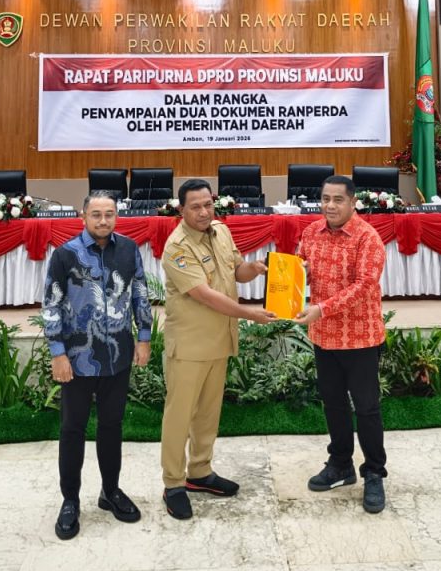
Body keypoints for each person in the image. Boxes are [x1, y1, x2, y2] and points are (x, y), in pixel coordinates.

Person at [160, 178, 275, 520]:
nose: (203, 212)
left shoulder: (221, 232)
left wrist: (254, 269)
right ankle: (173, 483)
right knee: (179, 417)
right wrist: (250, 314)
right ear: (181, 210)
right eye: (195, 207)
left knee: (208, 414)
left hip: (219, 341)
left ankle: (199, 472)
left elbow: (236, 272)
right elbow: (205, 296)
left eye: (208, 204)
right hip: (190, 345)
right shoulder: (176, 247)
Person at [42, 191, 153, 540]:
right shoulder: (65, 254)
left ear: (116, 216)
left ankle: (110, 491)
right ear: (83, 216)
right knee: (72, 429)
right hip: (76, 359)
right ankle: (70, 500)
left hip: (117, 356)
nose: (103, 221)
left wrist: (144, 336)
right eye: (96, 215)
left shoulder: (129, 249)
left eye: (109, 214)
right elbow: (52, 304)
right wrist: (58, 352)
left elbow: (140, 293)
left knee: (112, 426)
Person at [295, 175, 388, 514]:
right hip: (324, 336)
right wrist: (297, 274)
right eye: (325, 199)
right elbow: (300, 267)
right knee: (333, 403)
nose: (330, 206)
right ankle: (340, 464)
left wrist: (321, 309)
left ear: (352, 203)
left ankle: (374, 472)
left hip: (359, 337)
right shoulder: (311, 232)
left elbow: (364, 286)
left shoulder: (368, 238)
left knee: (366, 408)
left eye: (338, 200)